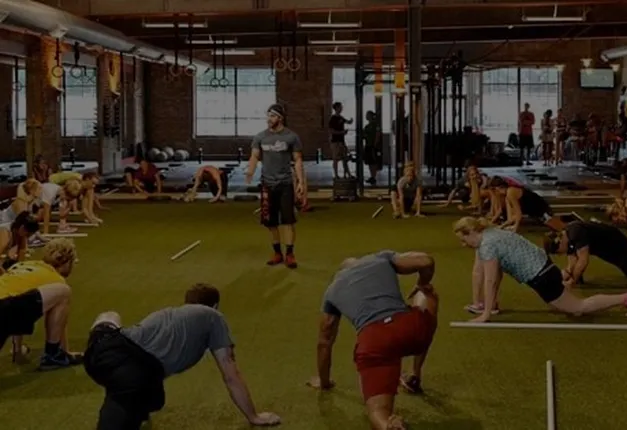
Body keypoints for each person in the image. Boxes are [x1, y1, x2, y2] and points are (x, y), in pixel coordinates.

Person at [83, 284, 280, 429]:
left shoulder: (171, 316)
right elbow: (231, 376)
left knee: (110, 316)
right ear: (215, 306)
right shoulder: (213, 317)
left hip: (98, 347)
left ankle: (134, 404)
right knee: (130, 393)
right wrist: (254, 416)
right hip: (128, 367)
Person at [307, 251, 438, 430]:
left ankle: (388, 426)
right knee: (428, 294)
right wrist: (422, 284)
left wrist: (324, 382)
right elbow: (425, 261)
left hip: (375, 342)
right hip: (410, 328)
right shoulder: (380, 259)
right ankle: (414, 374)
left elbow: (325, 341)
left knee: (378, 412)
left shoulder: (332, 289)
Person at [453, 217, 627, 321]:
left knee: (578, 308)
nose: (464, 244)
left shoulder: (487, 245)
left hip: (541, 277)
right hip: (546, 267)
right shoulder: (492, 232)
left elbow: (491, 280)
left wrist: (486, 313)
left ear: (471, 232)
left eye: (463, 239)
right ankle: (623, 298)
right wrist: (491, 304)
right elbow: (497, 275)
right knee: (563, 307)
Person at [0, 238, 81, 369]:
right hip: (4, 310)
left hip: (5, 308)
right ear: (66, 262)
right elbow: (61, 322)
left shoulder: (23, 265)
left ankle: (18, 350)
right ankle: (54, 355)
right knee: (64, 291)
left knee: (15, 302)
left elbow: (14, 299)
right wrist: (66, 351)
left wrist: (18, 350)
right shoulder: (55, 278)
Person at [245, 104, 305, 268]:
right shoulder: (260, 137)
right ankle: (277, 252)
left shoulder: (291, 137)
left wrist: (300, 182)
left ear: (280, 118)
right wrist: (250, 172)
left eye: (272, 116)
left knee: (288, 221)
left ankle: (290, 254)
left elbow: (298, 160)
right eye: (268, 116)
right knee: (270, 222)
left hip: (285, 184)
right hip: (267, 184)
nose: (268, 119)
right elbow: (254, 156)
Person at [487, 176, 566, 231]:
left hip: (540, 208)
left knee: (560, 227)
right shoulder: (507, 196)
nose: (495, 193)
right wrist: (501, 226)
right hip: (534, 212)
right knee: (554, 226)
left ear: (498, 188)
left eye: (494, 190)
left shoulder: (511, 192)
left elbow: (519, 213)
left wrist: (515, 228)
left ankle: (570, 230)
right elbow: (510, 218)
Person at [328, 101, 353, 179]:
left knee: (345, 158)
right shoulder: (333, 118)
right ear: (336, 108)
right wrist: (341, 132)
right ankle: (336, 175)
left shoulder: (341, 117)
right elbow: (331, 131)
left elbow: (348, 122)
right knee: (336, 159)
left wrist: (351, 120)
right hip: (335, 141)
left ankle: (348, 174)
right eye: (340, 107)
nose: (341, 108)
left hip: (342, 141)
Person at [363, 110, 383, 185]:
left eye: (367, 115)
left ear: (371, 116)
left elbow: (378, 134)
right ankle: (372, 176)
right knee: (370, 162)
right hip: (368, 145)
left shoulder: (375, 125)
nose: (366, 116)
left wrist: (375, 145)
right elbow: (364, 135)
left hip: (373, 146)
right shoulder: (366, 126)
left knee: (373, 162)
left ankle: (374, 177)